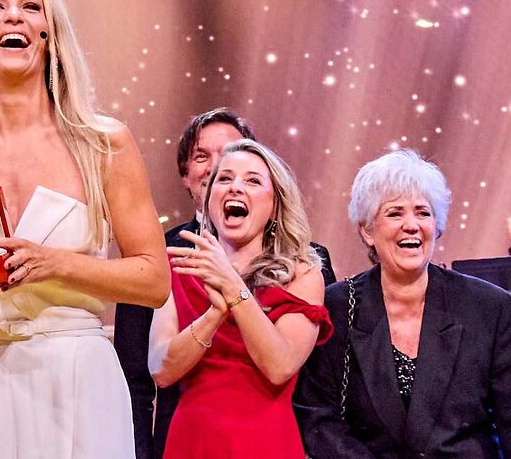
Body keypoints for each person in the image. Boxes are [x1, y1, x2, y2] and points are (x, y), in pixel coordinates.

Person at [0, 0, 169, 459]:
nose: (15, 16)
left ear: (50, 36)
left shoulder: (103, 143)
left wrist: (56, 263)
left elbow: (154, 280)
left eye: (32, 7)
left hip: (78, 376)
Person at [115, 108, 336, 458]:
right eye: (225, 179)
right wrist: (214, 313)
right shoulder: (176, 265)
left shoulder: (303, 272)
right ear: (208, 198)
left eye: (253, 181)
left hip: (266, 443)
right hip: (190, 442)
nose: (235, 187)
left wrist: (232, 288)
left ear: (274, 205)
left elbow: (279, 366)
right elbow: (160, 370)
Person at [294, 149, 511, 457]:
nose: (412, 225)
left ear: (436, 225)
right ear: (367, 230)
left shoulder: (491, 308)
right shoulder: (336, 308)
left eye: (423, 213)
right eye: (395, 213)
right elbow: (318, 419)